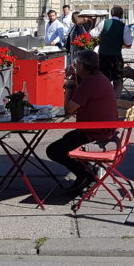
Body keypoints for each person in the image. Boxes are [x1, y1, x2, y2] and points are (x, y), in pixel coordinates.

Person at [46, 50, 117, 196]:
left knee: (54, 150)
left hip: (95, 134)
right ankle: (88, 170)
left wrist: (70, 85)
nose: (74, 66)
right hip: (104, 131)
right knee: (67, 139)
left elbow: (68, 110)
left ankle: (85, 174)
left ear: (82, 66)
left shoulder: (90, 82)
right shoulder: (98, 77)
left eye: (76, 64)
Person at [90, 6, 133, 90]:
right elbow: (129, 43)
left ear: (111, 13)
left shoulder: (103, 23)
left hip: (103, 56)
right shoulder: (124, 27)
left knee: (103, 79)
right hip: (116, 56)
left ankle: (104, 98)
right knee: (117, 79)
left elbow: (92, 34)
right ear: (121, 15)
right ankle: (116, 99)